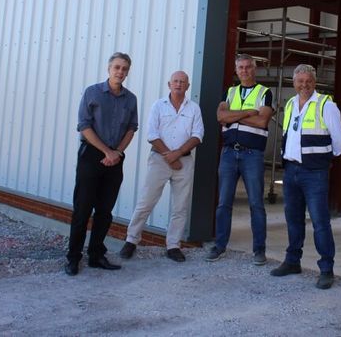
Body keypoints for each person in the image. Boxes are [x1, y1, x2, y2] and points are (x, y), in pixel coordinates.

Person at [270, 64, 341, 289]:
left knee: (320, 222)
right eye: (300, 81)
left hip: (314, 173)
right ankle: (293, 261)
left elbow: (340, 140)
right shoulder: (291, 104)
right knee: (293, 219)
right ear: (294, 83)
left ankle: (326, 269)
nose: (304, 85)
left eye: (308, 81)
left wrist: (323, 160)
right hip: (291, 170)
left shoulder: (326, 105)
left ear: (315, 82)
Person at [118, 71, 204, 262]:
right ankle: (131, 241)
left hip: (184, 161)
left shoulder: (194, 109)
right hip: (159, 160)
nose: (179, 84)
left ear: (188, 86)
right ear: (169, 84)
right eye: (175, 81)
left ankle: (173, 245)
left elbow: (198, 135)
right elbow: (152, 134)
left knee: (180, 206)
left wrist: (178, 153)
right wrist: (170, 156)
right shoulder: (158, 106)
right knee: (146, 201)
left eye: (182, 82)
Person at [65, 52, 138, 276]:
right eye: (117, 67)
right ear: (109, 69)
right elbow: (84, 126)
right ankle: (73, 258)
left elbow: (131, 129)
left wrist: (116, 153)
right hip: (91, 157)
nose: (120, 72)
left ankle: (96, 255)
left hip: (115, 160)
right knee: (83, 209)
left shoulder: (130, 99)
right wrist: (107, 151)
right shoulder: (93, 92)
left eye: (125, 68)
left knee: (105, 211)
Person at [205, 54, 274, 265]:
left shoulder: (265, 93)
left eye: (248, 67)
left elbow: (262, 121)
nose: (244, 70)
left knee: (256, 204)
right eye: (241, 67)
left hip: (252, 154)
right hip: (228, 153)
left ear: (255, 69)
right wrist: (248, 112)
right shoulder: (230, 91)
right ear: (236, 70)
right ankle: (220, 246)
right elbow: (220, 117)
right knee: (224, 203)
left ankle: (259, 250)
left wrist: (234, 114)